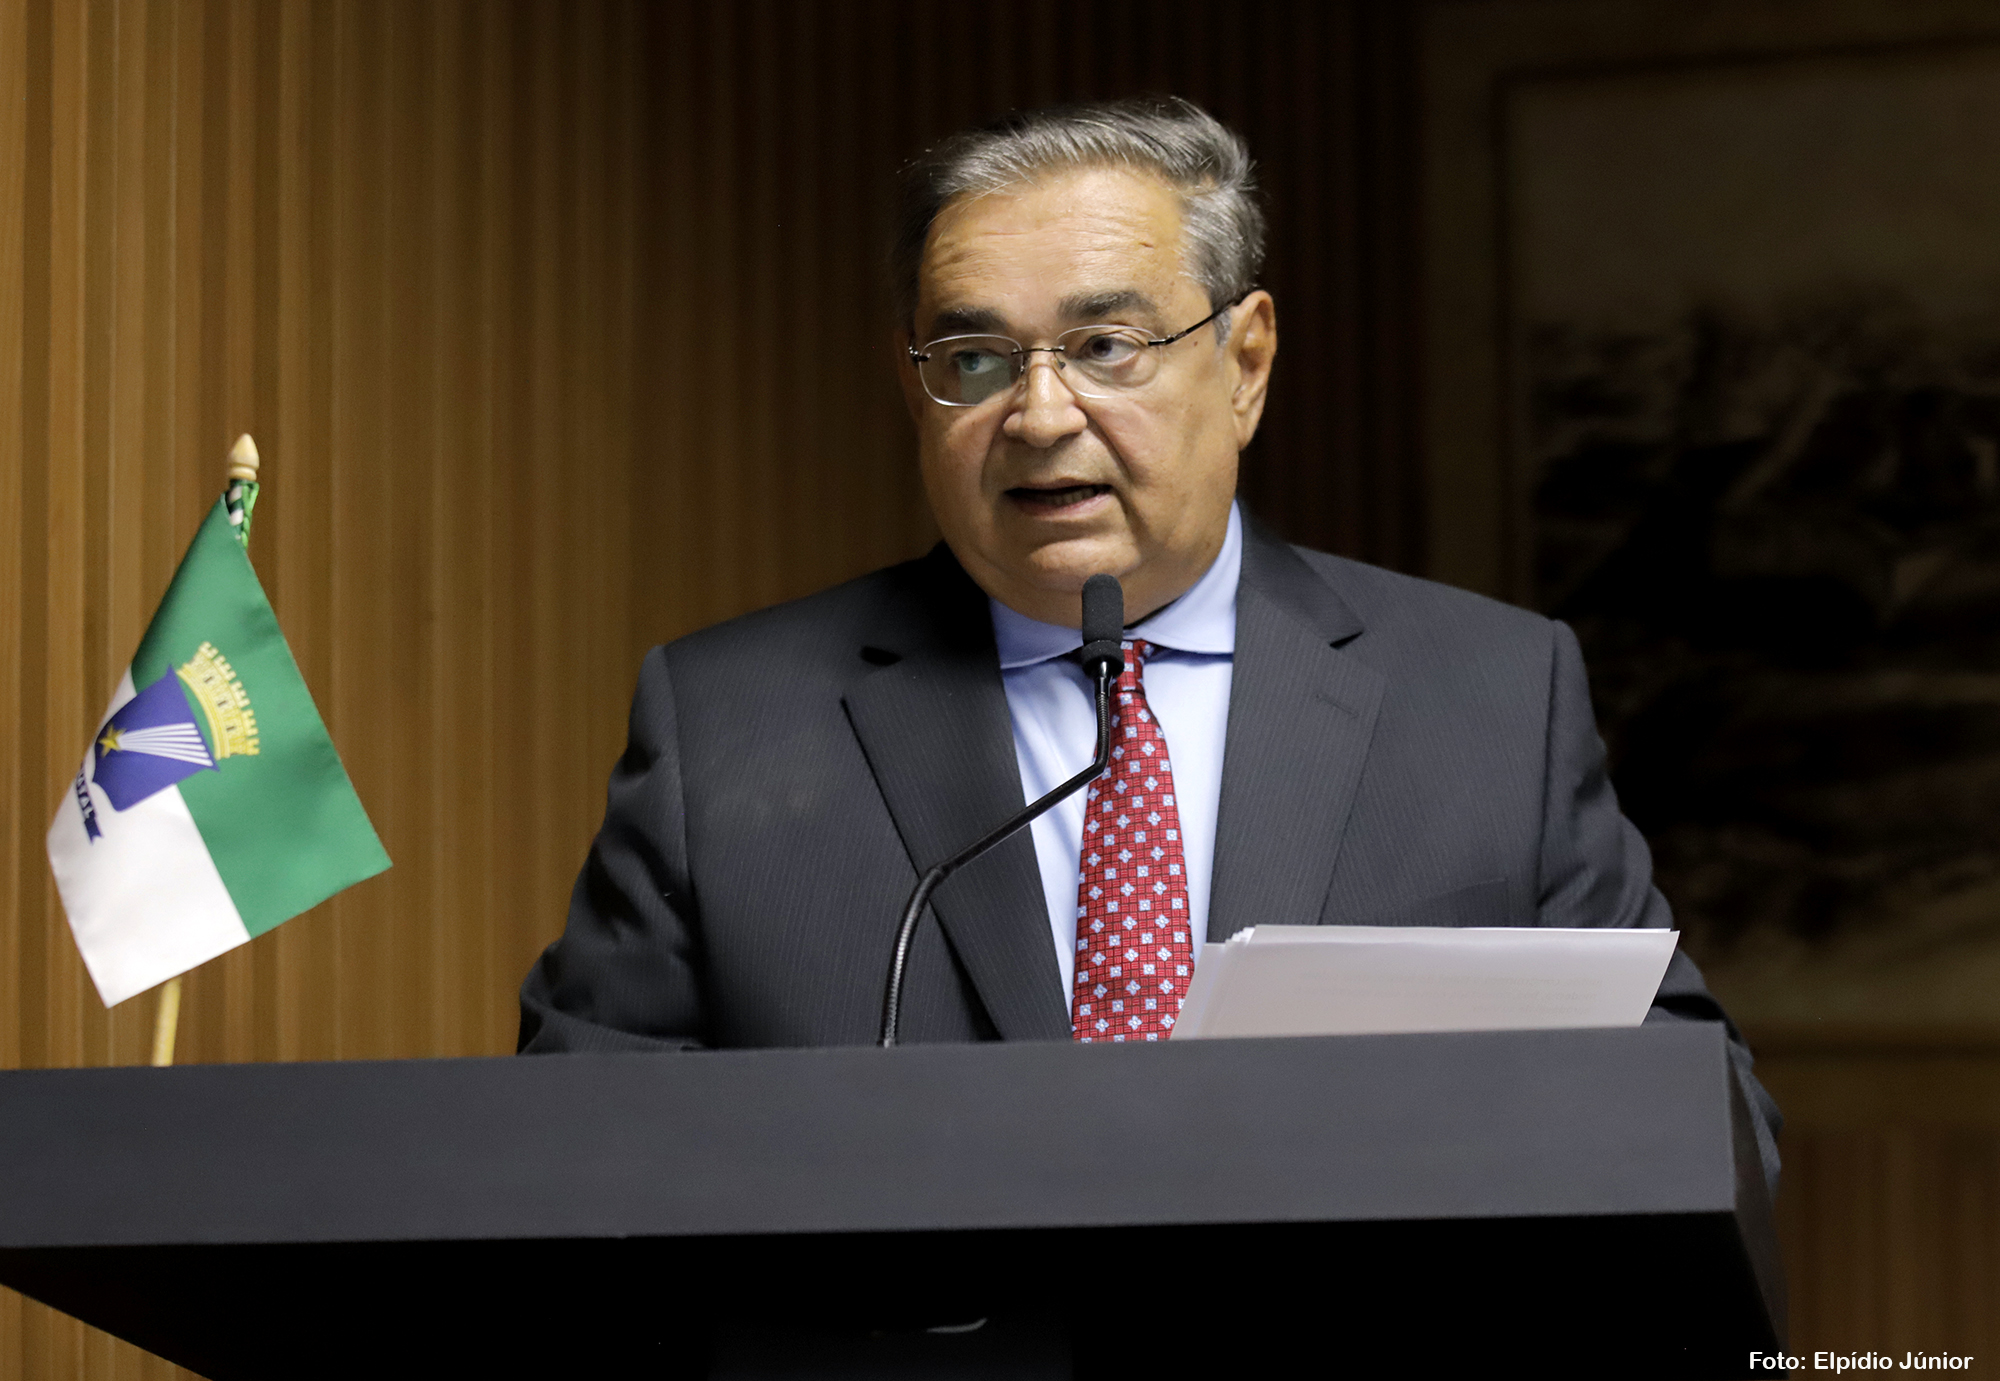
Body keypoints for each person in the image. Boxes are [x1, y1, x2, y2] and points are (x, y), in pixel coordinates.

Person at [518, 96, 1779, 1183]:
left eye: (1105, 347)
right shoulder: (728, 722)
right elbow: (571, 1155)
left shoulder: (1489, 696)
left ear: (1245, 363)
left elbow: (1696, 1117)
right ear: (914, 390)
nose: (1037, 415)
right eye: (973, 359)